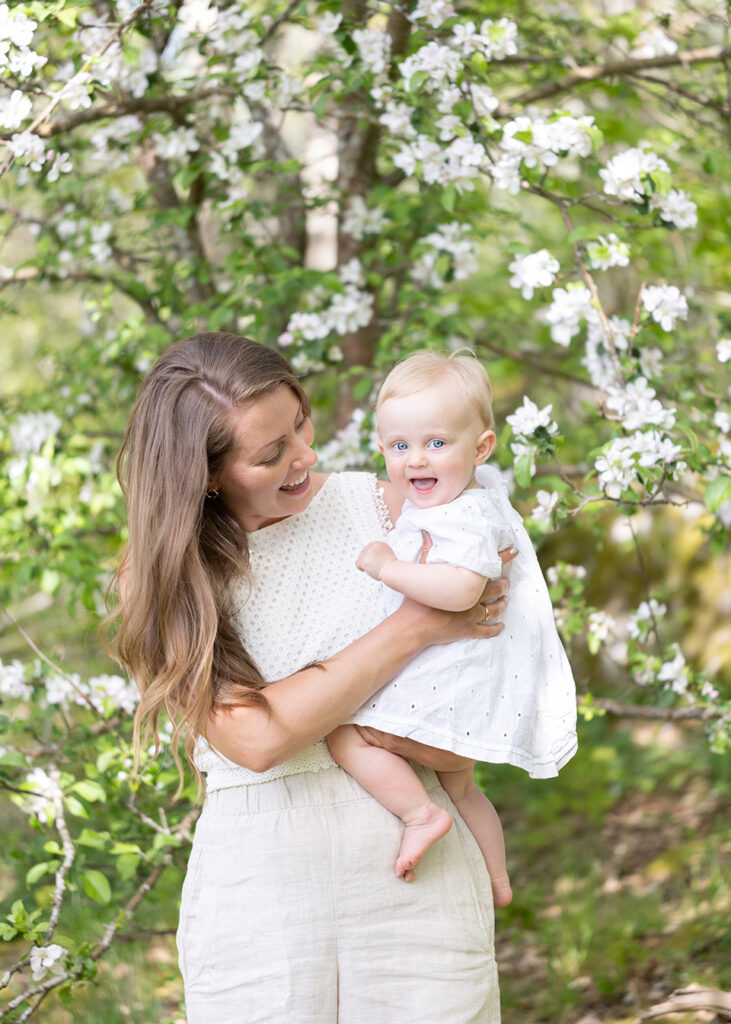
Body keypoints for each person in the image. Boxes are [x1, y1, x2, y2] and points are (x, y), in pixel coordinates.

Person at [112, 332, 515, 1024]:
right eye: (270, 454)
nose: (306, 456)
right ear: (202, 473)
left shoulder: (389, 506)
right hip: (259, 892)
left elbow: (482, 664)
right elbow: (258, 739)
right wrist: (414, 624)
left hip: (414, 873)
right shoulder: (164, 579)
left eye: (300, 424)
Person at [328, 351, 577, 908]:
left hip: (441, 703)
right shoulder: (477, 497)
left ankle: (419, 814)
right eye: (400, 446)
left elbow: (462, 590)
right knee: (466, 788)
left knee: (342, 731)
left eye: (436, 443)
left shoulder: (461, 516)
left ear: (481, 448)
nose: (416, 459)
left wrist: (389, 567)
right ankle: (497, 880)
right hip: (458, 699)